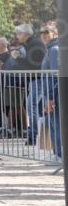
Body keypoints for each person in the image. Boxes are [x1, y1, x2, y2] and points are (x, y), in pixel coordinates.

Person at [40, 21, 61, 159]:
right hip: (49, 93)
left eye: (46, 32)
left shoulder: (54, 50)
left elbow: (55, 75)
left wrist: (51, 98)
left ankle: (60, 155)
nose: (43, 35)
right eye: (41, 32)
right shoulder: (49, 49)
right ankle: (57, 154)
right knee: (52, 124)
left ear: (55, 33)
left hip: (54, 94)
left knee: (57, 125)